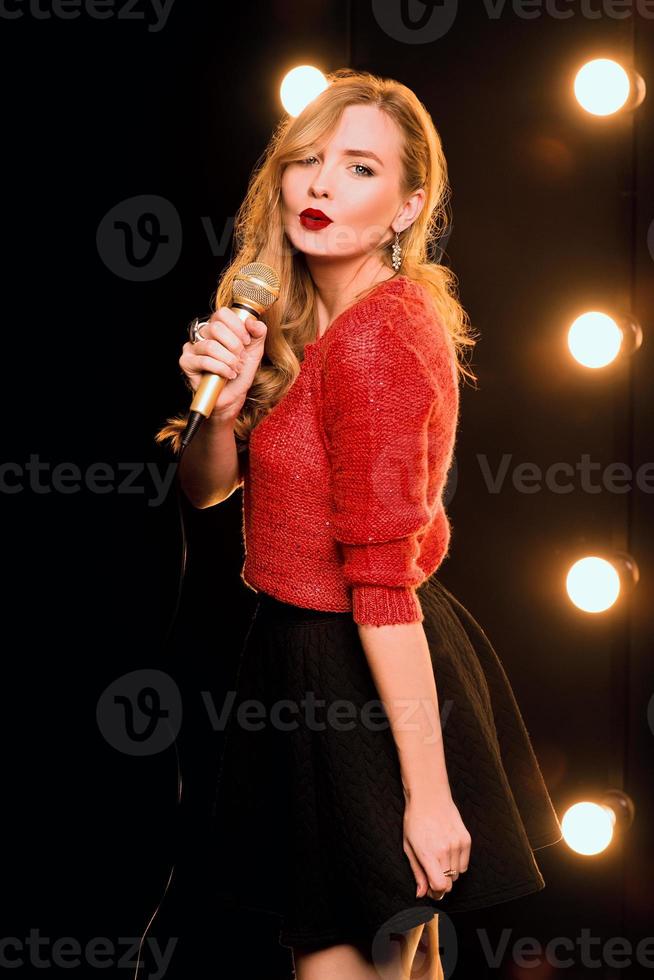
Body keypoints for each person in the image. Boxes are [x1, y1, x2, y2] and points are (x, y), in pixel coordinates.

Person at [155, 68, 562, 980]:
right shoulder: (293, 317)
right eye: (306, 160)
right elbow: (206, 493)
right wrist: (217, 410)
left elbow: (380, 579)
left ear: (409, 206)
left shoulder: (382, 337)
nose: (321, 184)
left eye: (359, 167)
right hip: (298, 660)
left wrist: (427, 798)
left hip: (367, 671)